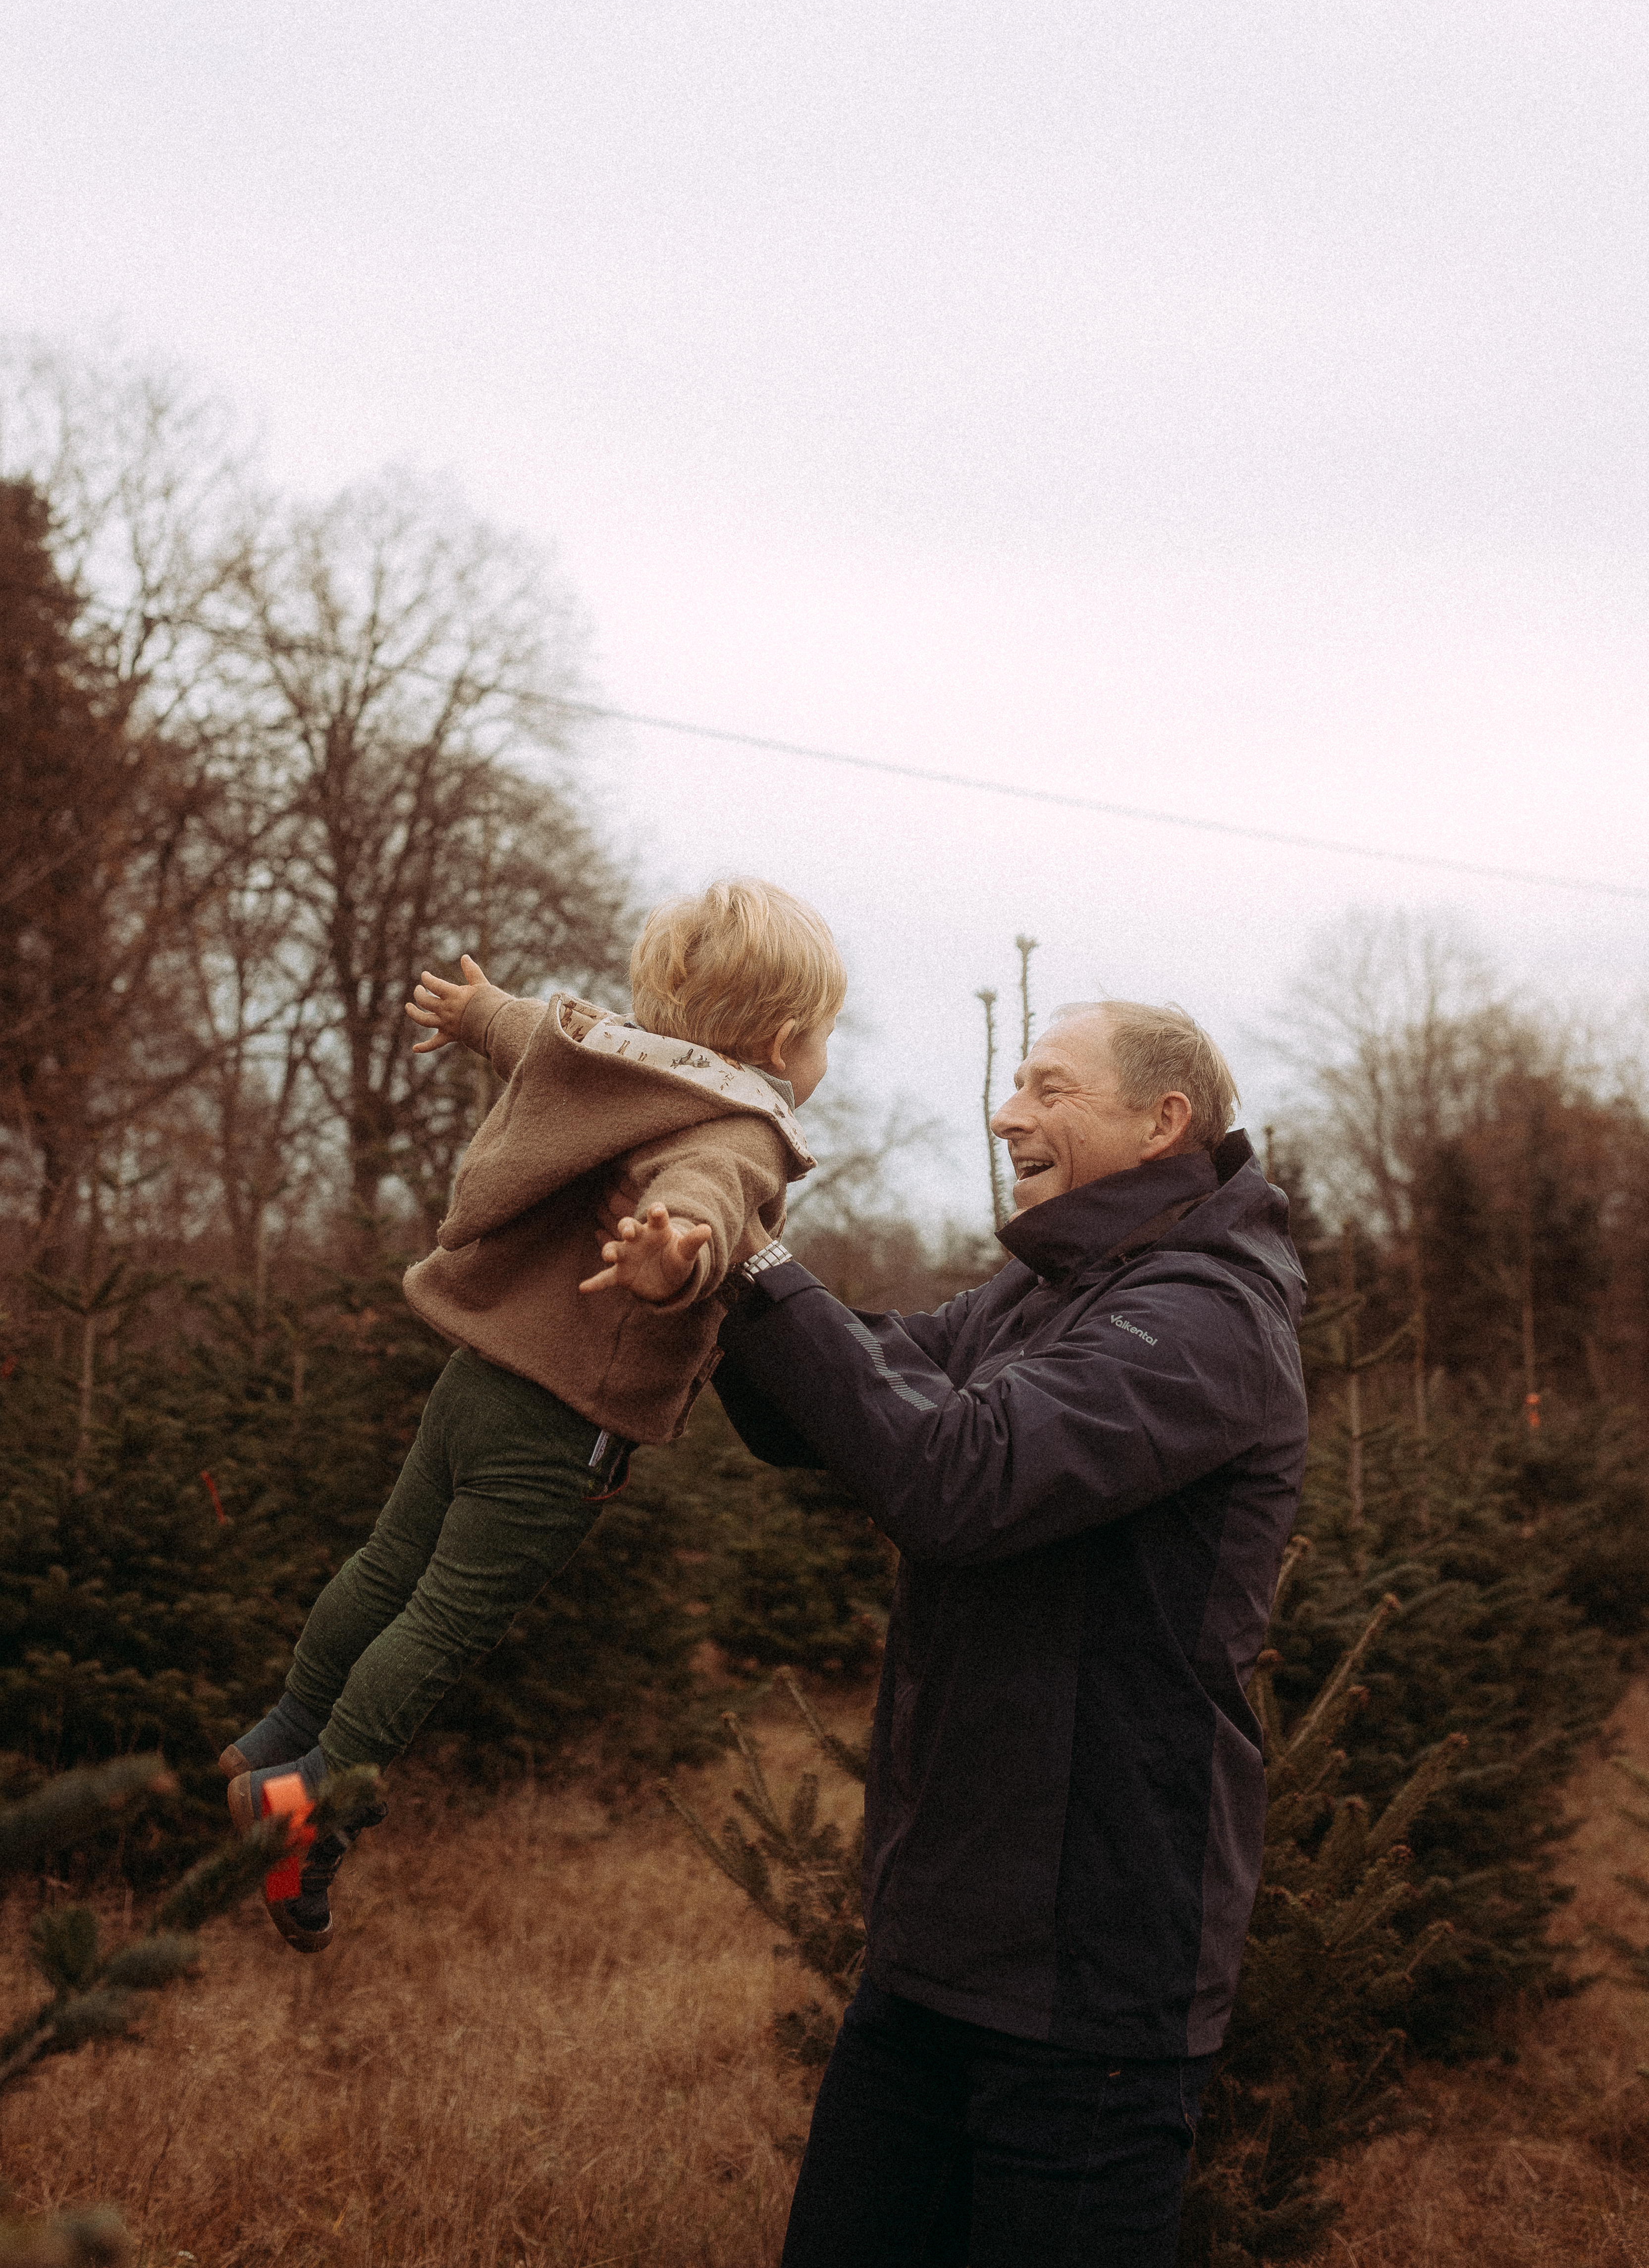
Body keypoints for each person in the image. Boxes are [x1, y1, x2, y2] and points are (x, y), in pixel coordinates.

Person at [701, 999, 1309, 2268]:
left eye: (1049, 1086)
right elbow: (847, 1390)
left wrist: (757, 1258)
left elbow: (955, 1479)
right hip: (934, 1948)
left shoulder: (1206, 1320)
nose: (1006, 1112)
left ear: (1163, 1121)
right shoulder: (1042, 1293)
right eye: (1017, 1084)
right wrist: (707, 1267)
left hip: (1090, 1984)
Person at [219, 877, 843, 1952]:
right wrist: (671, 1255)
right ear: (785, 1043)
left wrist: (476, 1011)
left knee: (385, 1564)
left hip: (476, 1377)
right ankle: (310, 1797)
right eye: (827, 1035)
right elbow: (699, 1199)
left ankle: (283, 1727)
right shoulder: (739, 1128)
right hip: (562, 1422)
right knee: (445, 1617)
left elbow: (527, 1031)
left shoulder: (608, 1057)